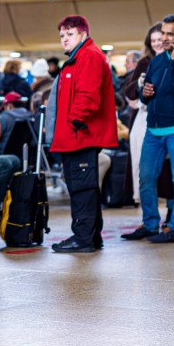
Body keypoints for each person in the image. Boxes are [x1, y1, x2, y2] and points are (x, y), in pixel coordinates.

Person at [122, 15, 174, 244]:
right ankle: (150, 223)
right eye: (162, 33)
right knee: (145, 177)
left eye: (169, 34)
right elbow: (148, 95)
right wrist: (145, 94)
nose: (164, 38)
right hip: (154, 128)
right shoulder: (155, 61)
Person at [44, 15, 118, 253]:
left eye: (70, 34)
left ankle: (83, 238)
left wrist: (74, 121)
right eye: (62, 35)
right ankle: (91, 236)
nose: (65, 39)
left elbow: (88, 95)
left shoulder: (88, 56)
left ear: (83, 34)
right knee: (84, 187)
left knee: (82, 189)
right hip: (76, 135)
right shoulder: (80, 57)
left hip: (80, 136)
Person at [122, 23, 164, 205]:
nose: (156, 44)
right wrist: (140, 83)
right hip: (144, 119)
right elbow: (129, 91)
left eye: (160, 40)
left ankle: (172, 218)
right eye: (153, 40)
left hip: (169, 120)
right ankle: (149, 217)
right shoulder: (144, 63)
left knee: (169, 171)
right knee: (142, 166)